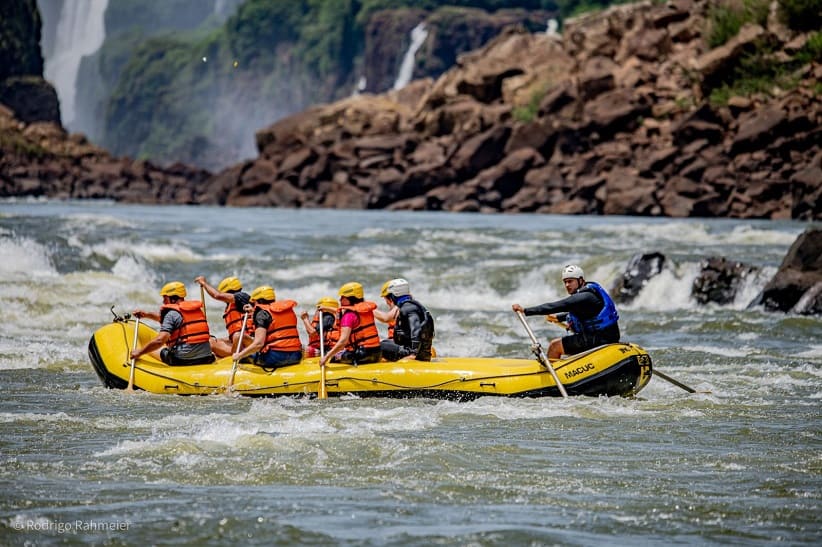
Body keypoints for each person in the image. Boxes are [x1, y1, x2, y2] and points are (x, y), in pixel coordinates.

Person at [511, 264, 620, 360]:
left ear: (580, 280)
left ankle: (549, 378)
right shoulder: (589, 294)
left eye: (570, 281)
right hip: (608, 336)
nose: (567, 285)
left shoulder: (584, 296)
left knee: (554, 346)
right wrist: (558, 318)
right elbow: (582, 313)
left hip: (599, 339)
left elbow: (557, 306)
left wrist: (525, 310)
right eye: (565, 282)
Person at [131, 281, 216, 365]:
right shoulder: (197, 311)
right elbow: (173, 320)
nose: (163, 302)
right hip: (207, 357)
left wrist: (139, 352)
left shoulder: (171, 314)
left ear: (172, 298)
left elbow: (160, 340)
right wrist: (147, 315)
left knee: (156, 350)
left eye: (165, 298)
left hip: (182, 360)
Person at [232, 286, 303, 369]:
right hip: (296, 355)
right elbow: (270, 316)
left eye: (253, 303)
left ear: (257, 301)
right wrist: (254, 312)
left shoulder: (261, 314)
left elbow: (258, 344)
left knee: (245, 357)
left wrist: (240, 355)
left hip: (274, 358)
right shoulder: (287, 310)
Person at [319, 282, 382, 367]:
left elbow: (343, 341)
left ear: (351, 298)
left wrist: (327, 357)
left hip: (361, 356)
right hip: (377, 354)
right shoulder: (366, 311)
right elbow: (340, 311)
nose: (340, 300)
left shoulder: (348, 316)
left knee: (334, 357)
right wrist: (326, 308)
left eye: (342, 297)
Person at [378, 278, 435, 361]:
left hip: (413, 354)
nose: (387, 302)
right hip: (422, 352)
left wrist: (412, 354)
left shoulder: (407, 308)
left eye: (387, 298)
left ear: (393, 296)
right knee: (384, 342)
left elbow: (416, 330)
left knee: (378, 347)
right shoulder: (413, 305)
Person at [194, 275, 251, 358]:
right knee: (211, 340)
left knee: (211, 343)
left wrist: (204, 283)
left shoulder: (241, 298)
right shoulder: (233, 304)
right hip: (241, 342)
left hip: (247, 344)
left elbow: (217, 295)